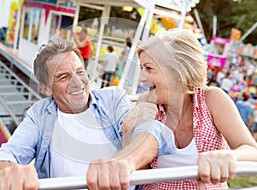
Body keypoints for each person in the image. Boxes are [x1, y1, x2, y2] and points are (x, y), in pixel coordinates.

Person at [0, 39, 169, 190]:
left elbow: (145, 132)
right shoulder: (40, 115)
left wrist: (124, 163)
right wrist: (4, 172)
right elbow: (8, 152)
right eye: (63, 77)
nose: (78, 83)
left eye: (80, 72)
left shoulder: (113, 98)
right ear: (45, 88)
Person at [88, 29, 257, 190]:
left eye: (149, 68)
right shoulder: (146, 103)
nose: (141, 78)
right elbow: (140, 174)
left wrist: (230, 156)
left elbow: (251, 150)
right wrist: (128, 132)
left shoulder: (212, 99)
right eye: (142, 68)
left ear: (178, 72)